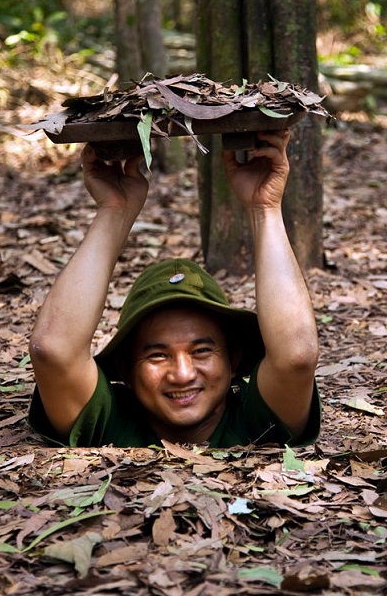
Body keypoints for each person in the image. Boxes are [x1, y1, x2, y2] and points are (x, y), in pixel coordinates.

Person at [28, 130, 321, 448]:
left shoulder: (253, 420)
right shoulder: (111, 420)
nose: (182, 374)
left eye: (202, 351)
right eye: (157, 355)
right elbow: (53, 351)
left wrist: (265, 209)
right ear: (126, 370)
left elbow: (297, 356)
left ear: (234, 359)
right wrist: (114, 210)